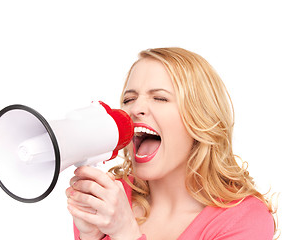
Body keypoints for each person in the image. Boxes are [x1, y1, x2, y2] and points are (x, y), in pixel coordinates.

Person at [65, 47, 277, 240]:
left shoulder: (245, 220)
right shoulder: (109, 202)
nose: (135, 108)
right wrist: (90, 238)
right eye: (129, 99)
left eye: (159, 98)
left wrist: (125, 233)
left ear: (200, 117)